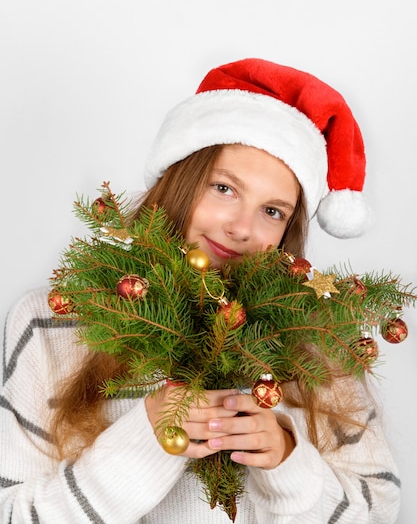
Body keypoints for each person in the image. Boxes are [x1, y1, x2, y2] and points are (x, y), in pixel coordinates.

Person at [0, 58, 400, 523]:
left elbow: (379, 511)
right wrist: (148, 441)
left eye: (272, 211)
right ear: (182, 178)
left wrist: (289, 464)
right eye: (224, 188)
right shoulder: (54, 323)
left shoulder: (313, 341)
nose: (241, 228)